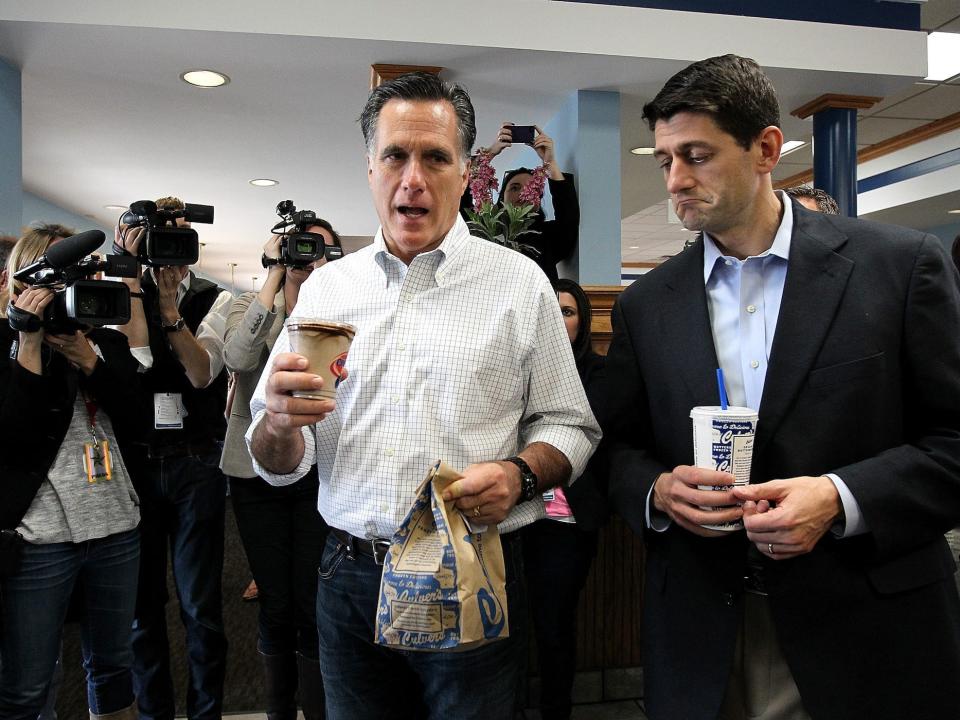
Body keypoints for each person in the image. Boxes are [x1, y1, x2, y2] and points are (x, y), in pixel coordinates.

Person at [601, 54, 960, 720]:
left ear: (766, 148)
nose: (676, 180)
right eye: (665, 161)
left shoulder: (899, 268)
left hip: (867, 629)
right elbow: (616, 448)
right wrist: (656, 490)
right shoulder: (646, 305)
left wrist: (840, 496)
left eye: (698, 156)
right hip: (704, 633)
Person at [246, 71, 600, 720]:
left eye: (435, 157)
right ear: (370, 169)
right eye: (395, 156)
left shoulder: (520, 284)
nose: (414, 176)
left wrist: (521, 475)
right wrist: (276, 421)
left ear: (464, 172)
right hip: (348, 576)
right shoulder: (325, 291)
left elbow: (572, 424)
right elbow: (275, 459)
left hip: (473, 567)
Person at [0, 228, 143, 720]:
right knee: (27, 684)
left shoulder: (101, 338)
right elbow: (14, 438)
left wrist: (89, 360)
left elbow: (139, 419)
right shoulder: (9, 343)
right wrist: (30, 342)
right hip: (38, 538)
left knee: (113, 669)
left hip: (115, 529)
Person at [111, 196, 233, 720]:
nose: (173, 249)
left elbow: (201, 374)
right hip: (135, 463)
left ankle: (206, 714)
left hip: (195, 460)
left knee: (201, 607)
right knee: (141, 611)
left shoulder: (217, 299)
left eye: (183, 237)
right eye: (162, 238)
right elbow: (125, 369)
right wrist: (133, 287)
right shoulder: (114, 297)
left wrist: (167, 308)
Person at [220, 224, 341, 720]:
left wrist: (329, 282)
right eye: (298, 246)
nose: (305, 255)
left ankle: (315, 710)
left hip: (322, 472)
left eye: (319, 247)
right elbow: (238, 357)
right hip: (256, 471)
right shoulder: (249, 308)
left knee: (312, 596)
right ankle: (276, 711)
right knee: (275, 599)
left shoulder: (341, 309)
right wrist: (272, 277)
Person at [523, 278, 607, 720]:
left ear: (583, 321)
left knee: (554, 625)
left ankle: (557, 712)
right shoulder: (516, 369)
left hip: (566, 522)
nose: (557, 320)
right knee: (510, 627)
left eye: (568, 312)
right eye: (550, 310)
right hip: (513, 517)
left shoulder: (601, 376)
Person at [461, 123, 579, 285]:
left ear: (538, 201)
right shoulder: (482, 230)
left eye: (532, 189)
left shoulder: (548, 237)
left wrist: (550, 163)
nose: (523, 194)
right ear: (502, 198)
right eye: (515, 188)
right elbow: (459, 202)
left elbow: (568, 217)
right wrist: (487, 155)